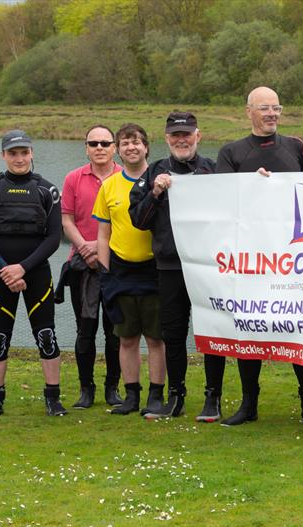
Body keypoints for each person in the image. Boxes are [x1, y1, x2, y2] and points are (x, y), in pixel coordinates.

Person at [215, 86, 303, 427]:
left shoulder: (297, 147)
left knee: (297, 326)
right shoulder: (231, 152)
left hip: (292, 257)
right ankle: (249, 404)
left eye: (276, 107)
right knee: (249, 328)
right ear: (249, 112)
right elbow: (222, 201)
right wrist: (252, 185)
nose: (272, 114)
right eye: (264, 108)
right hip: (251, 259)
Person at [128, 111, 225, 421]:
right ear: (166, 138)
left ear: (198, 135)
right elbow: (139, 221)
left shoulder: (215, 170)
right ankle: (176, 396)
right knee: (173, 333)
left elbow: (238, 211)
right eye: (175, 135)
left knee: (213, 330)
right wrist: (155, 192)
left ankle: (213, 397)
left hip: (208, 265)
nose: (181, 140)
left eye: (187, 134)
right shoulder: (154, 171)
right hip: (170, 266)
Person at [0, 130, 65, 417]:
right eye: (13, 153)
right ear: (3, 155)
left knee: (46, 336)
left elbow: (53, 237)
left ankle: (53, 398)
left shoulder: (47, 190)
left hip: (35, 273)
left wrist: (22, 268)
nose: (19, 158)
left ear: (32, 153)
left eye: (24, 153)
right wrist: (5, 269)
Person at [93, 123, 166, 415]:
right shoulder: (109, 185)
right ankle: (132, 395)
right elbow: (102, 234)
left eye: (136, 142)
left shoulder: (161, 181)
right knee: (126, 338)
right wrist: (104, 272)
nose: (131, 147)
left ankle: (156, 396)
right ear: (118, 150)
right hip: (120, 272)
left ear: (146, 146)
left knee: (156, 338)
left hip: (155, 269)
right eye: (124, 143)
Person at [61, 125, 122, 409]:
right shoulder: (73, 178)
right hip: (81, 265)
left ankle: (113, 388)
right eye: (93, 143)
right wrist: (85, 247)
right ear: (86, 148)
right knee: (85, 330)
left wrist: (100, 247)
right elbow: (66, 220)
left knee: (116, 331)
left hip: (116, 265)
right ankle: (86, 390)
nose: (99, 148)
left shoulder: (126, 176)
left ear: (114, 147)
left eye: (105, 143)